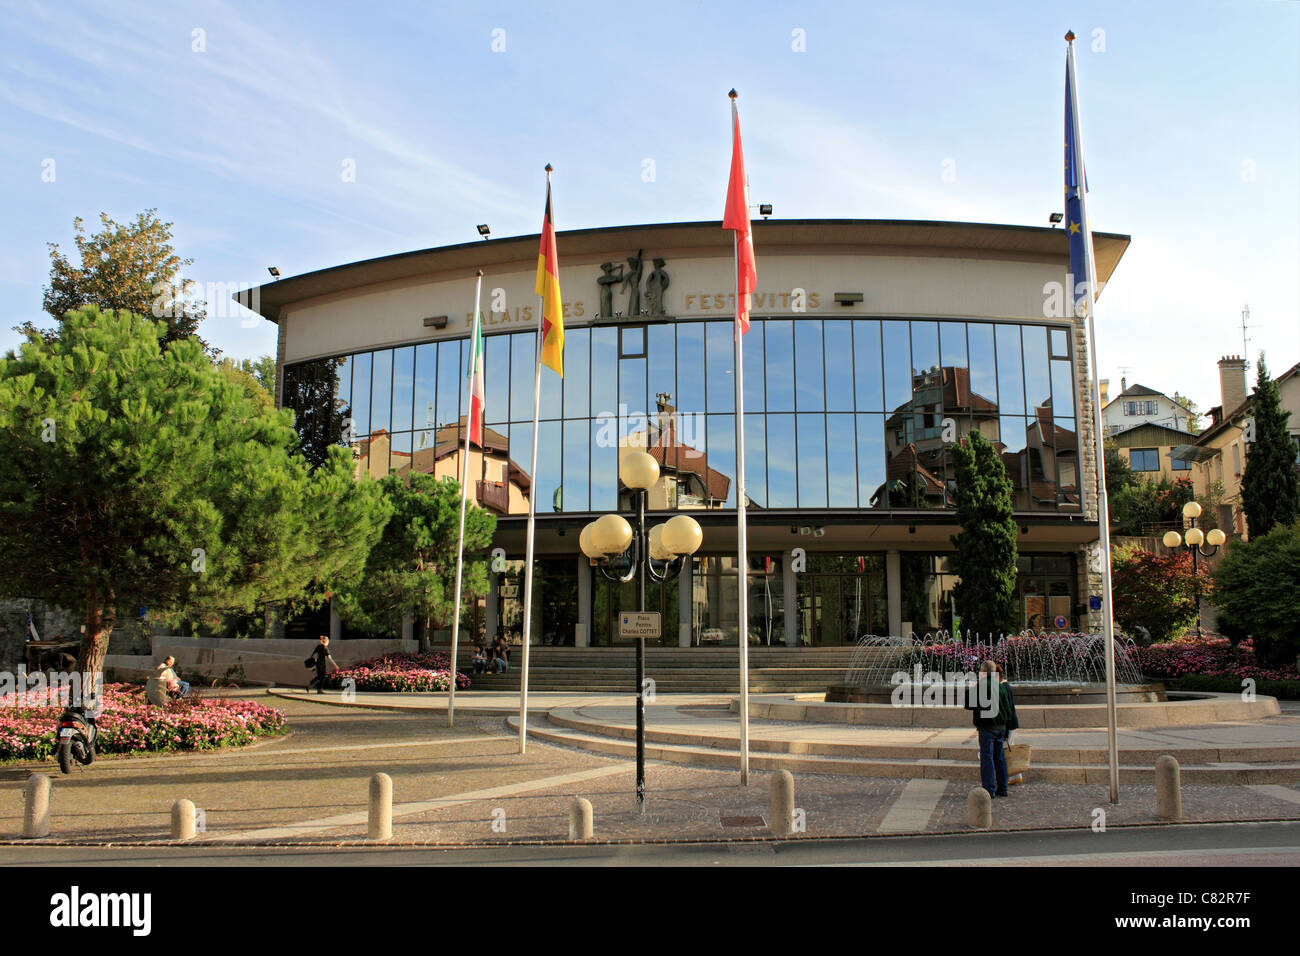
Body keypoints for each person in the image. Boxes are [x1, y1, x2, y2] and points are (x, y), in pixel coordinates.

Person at [965, 660, 1016, 798]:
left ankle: (989, 789)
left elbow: (968, 703)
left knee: (987, 757)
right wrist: (1006, 729)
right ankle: (1003, 788)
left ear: (982, 672)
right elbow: (1008, 710)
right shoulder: (1000, 687)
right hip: (1000, 727)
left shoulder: (980, 686)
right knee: (999, 757)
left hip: (986, 728)